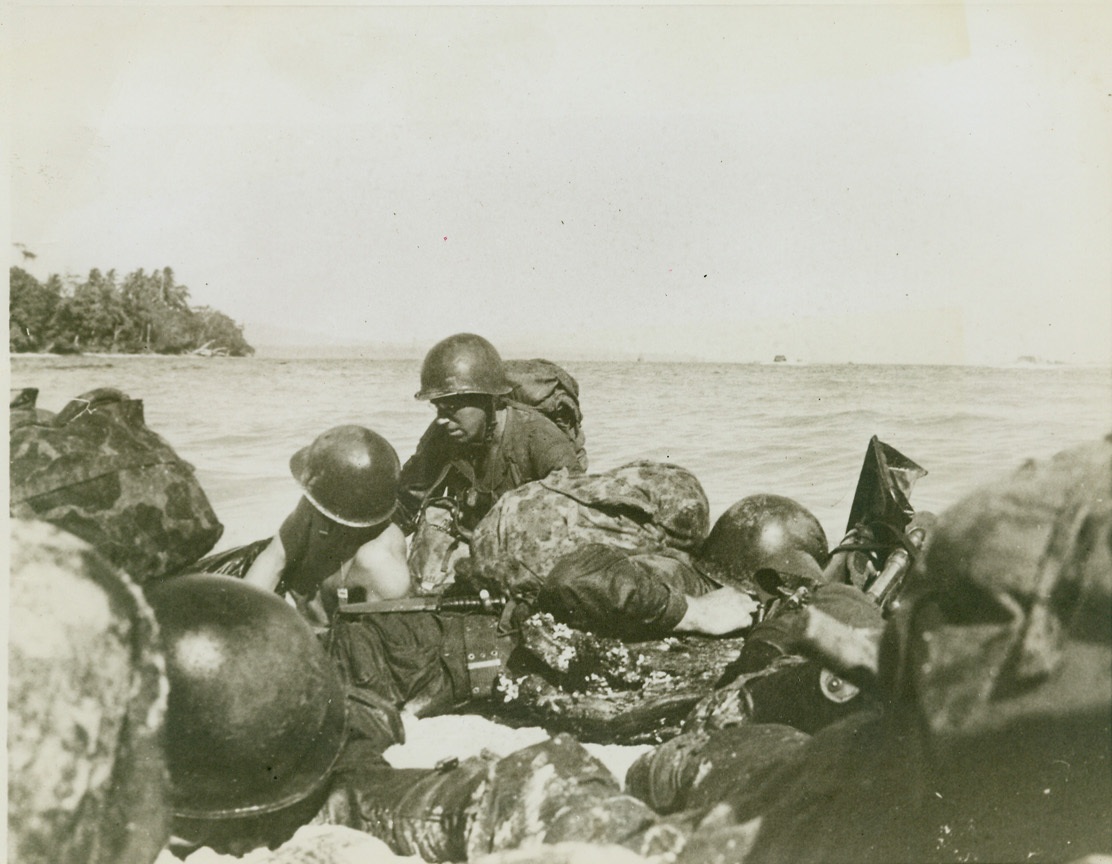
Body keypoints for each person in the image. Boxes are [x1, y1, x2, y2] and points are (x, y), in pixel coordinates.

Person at [395, 333, 585, 593]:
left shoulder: (540, 438)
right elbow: (408, 498)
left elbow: (575, 516)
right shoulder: (443, 435)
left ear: (488, 400)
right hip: (472, 539)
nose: (442, 420)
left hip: (525, 551)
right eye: (438, 408)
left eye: (451, 407)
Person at [243, 425, 411, 624]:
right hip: (295, 621)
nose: (311, 506)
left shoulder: (381, 566)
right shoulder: (317, 505)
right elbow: (275, 557)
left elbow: (375, 644)